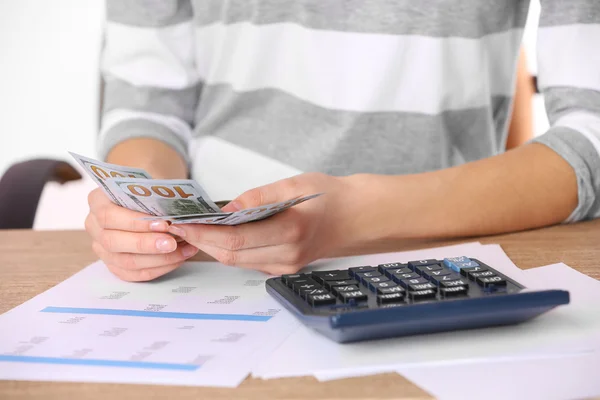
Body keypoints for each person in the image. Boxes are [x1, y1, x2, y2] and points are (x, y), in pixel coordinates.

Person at [86, 1, 599, 282]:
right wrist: (140, 210)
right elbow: (149, 105)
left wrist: (359, 213)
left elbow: (591, 138)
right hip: (203, 265)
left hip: (438, 258)